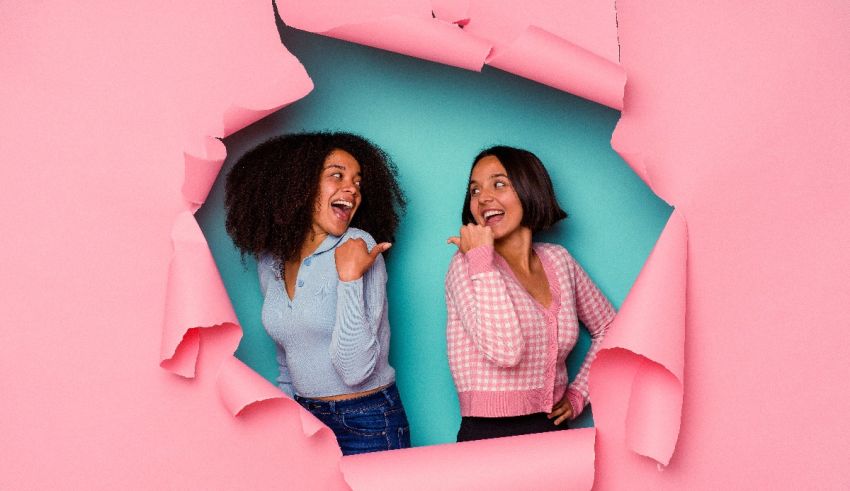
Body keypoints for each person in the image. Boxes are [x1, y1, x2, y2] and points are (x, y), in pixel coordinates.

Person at [224, 132, 410, 455]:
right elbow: (287, 359)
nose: (352, 189)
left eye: (357, 181)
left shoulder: (360, 247)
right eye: (337, 175)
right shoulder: (271, 260)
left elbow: (355, 370)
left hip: (367, 421)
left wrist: (350, 278)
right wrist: (287, 421)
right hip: (304, 418)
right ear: (300, 185)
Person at [445, 145, 616, 442]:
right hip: (487, 437)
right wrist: (482, 260)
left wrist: (578, 395)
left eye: (499, 183)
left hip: (553, 432)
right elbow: (506, 352)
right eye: (474, 190)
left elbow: (611, 328)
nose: (483, 197)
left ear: (529, 188)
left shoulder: (559, 260)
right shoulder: (466, 266)